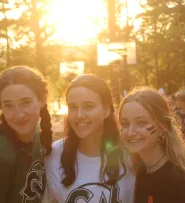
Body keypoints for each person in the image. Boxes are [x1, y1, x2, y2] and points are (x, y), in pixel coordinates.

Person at [0, 66, 52, 203]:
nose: (18, 114)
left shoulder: (37, 134)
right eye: (9, 105)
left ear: (41, 100)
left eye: (26, 102)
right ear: (1, 107)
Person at [44, 74, 135, 202]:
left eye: (88, 106)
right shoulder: (53, 155)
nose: (79, 115)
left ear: (106, 110)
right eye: (73, 107)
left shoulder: (132, 154)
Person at [119, 88, 185, 203]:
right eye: (125, 124)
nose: (130, 132)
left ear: (162, 127)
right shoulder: (141, 171)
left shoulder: (177, 181)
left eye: (141, 122)